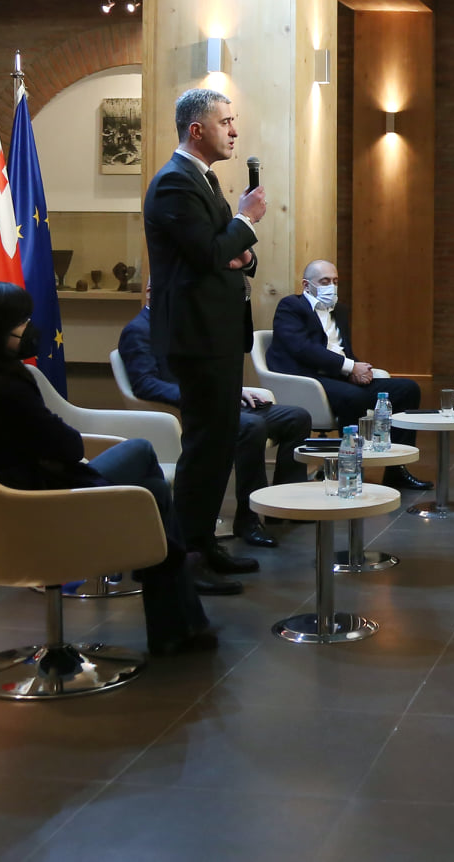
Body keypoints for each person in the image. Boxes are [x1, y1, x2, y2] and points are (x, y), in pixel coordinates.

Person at [0, 282, 217, 653]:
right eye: (22, 321)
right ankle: (165, 574)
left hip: (12, 500)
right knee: (152, 483)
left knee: (147, 471)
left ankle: (165, 568)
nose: (30, 328)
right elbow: (68, 446)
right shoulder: (4, 387)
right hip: (42, 506)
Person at [142, 88, 266, 593]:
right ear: (197, 130)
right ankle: (188, 560)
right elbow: (209, 254)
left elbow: (227, 254)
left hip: (218, 333)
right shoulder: (175, 182)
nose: (234, 131)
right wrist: (244, 221)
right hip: (196, 336)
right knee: (204, 445)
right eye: (226, 122)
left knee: (219, 444)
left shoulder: (204, 179)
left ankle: (205, 543)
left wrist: (240, 250)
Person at [119, 300, 313, 547]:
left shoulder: (184, 326)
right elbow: (145, 384)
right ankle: (248, 520)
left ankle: (284, 506)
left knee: (296, 417)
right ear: (151, 293)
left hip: (220, 402)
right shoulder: (137, 330)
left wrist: (235, 390)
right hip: (189, 410)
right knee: (251, 427)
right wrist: (198, 394)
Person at [266, 259, 430, 489]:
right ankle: (351, 470)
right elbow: (303, 349)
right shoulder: (291, 307)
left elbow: (343, 350)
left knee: (407, 389)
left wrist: (358, 370)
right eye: (324, 281)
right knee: (354, 397)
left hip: (338, 376)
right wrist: (349, 367)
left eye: (335, 281)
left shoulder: (340, 310)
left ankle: (396, 470)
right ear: (306, 285)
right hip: (309, 380)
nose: (331, 287)